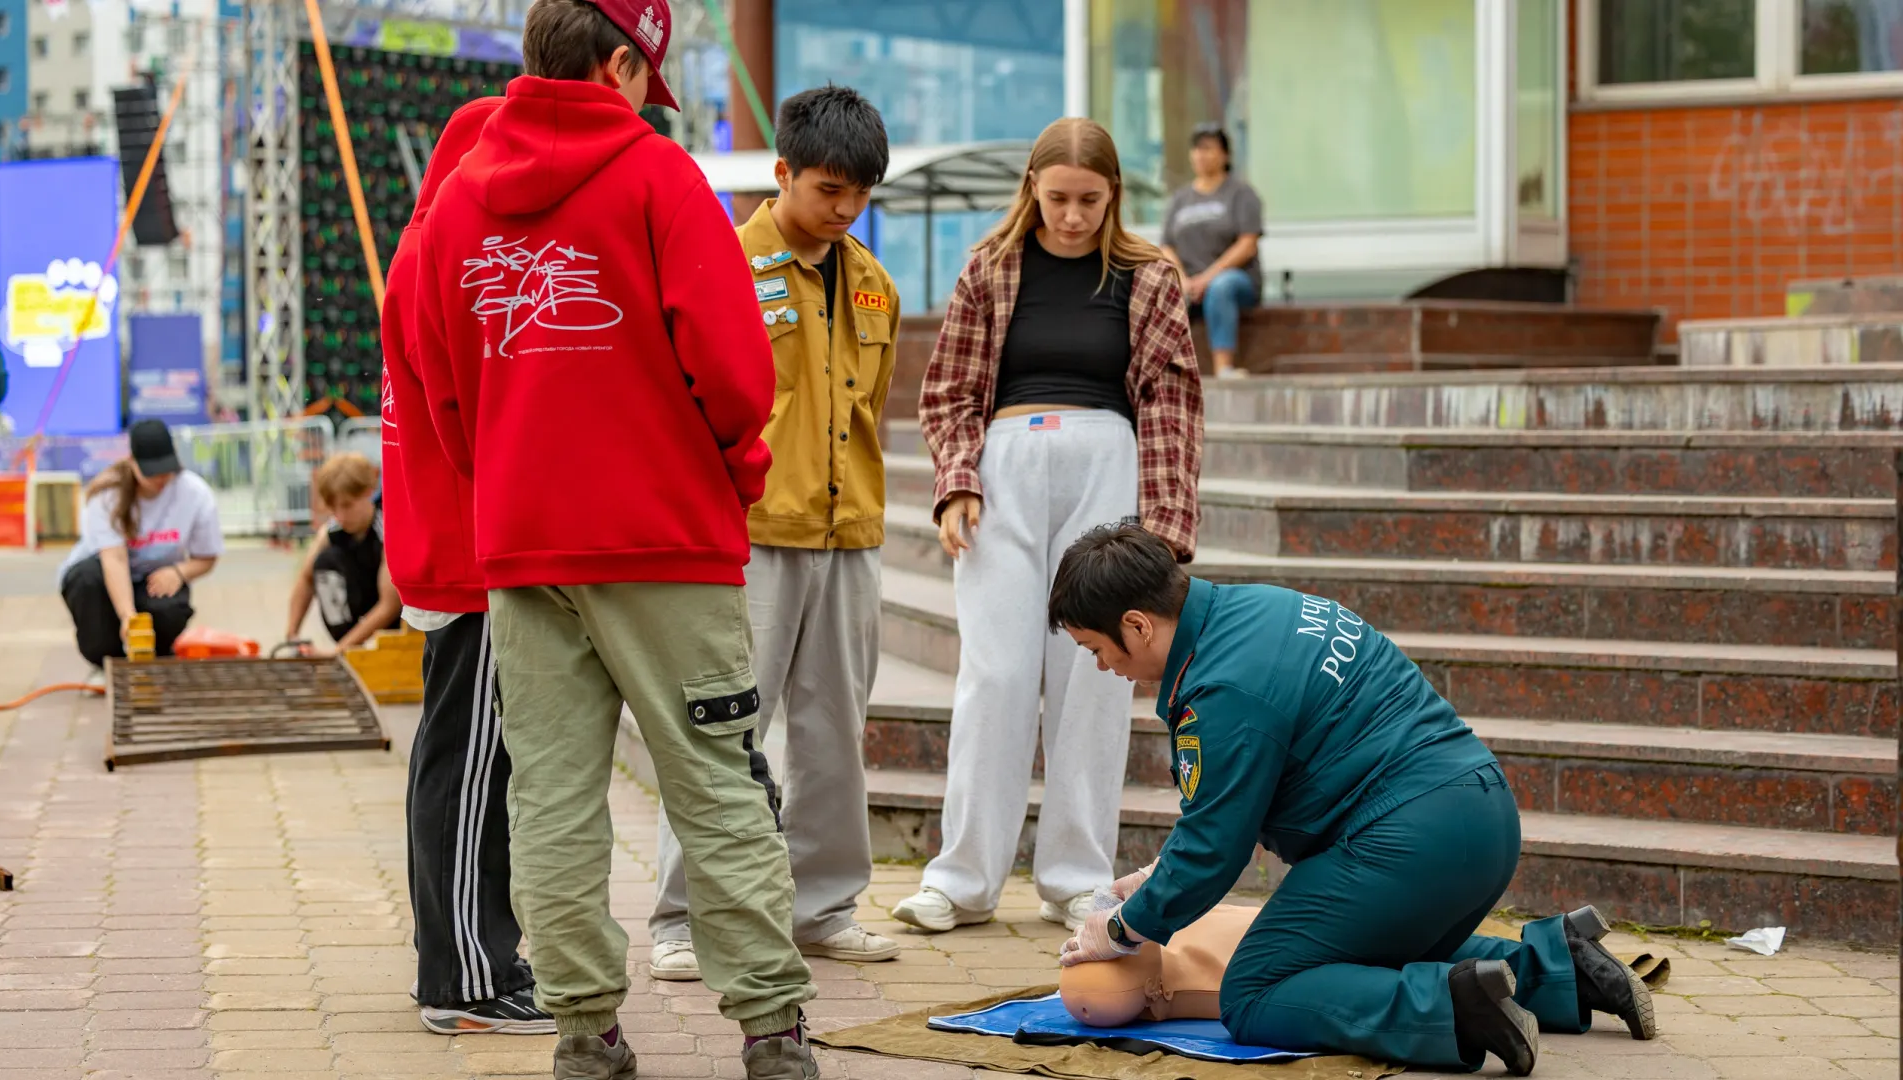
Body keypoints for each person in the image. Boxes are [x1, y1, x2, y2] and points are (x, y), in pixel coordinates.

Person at [414, 1, 818, 1077]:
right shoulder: (657, 177)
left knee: (548, 795)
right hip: (662, 539)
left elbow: (436, 375)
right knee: (716, 780)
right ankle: (772, 1032)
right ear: (619, 62)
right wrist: (731, 480)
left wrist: (498, 487)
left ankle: (585, 1033)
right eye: (649, 75)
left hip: (524, 547)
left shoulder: (457, 201)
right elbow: (737, 372)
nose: (651, 97)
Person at [1049, 523, 1658, 1077]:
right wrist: (1160, 877)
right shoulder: (1260, 608)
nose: (1103, 667)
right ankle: (1560, 972)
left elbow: (1214, 849)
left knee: (1255, 990)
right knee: (1365, 945)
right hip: (1481, 815)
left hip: (1408, 844)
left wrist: (1123, 929)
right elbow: (1234, 804)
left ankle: (1454, 1007)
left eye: (1095, 649)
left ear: (1137, 624)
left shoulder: (1220, 690)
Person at [894, 117, 1203, 937]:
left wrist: (1166, 530)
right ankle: (960, 880)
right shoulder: (988, 269)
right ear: (1031, 187)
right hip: (1004, 471)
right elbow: (949, 390)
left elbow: (1174, 404)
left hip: (1109, 465)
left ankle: (1076, 877)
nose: (1072, 215)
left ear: (1114, 197)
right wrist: (957, 482)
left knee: (1091, 683)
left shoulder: (1150, 278)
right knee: (993, 674)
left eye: (1090, 201)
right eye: (1058, 197)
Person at [648, 85, 901, 980]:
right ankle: (682, 916)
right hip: (749, 534)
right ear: (782, 172)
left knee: (835, 730)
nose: (843, 209)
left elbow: (865, 408)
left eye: (860, 194)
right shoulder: (721, 263)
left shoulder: (875, 285)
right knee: (720, 729)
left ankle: (823, 905)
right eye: (828, 189)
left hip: (850, 533)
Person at [379, 94, 553, 1036]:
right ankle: (465, 975)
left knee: (461, 760)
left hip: (453, 545)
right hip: (469, 550)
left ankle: (471, 960)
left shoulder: (423, 246)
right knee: (470, 767)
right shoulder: (447, 255)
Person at [57, 418, 222, 670]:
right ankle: (107, 661)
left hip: (153, 579)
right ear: (132, 462)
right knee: (87, 579)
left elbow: (207, 557)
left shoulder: (195, 494)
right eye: (151, 472)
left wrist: (179, 571)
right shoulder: (107, 494)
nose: (160, 479)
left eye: (166, 470)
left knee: (169, 606)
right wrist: (128, 617)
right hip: (104, 577)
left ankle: (156, 654)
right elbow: (115, 559)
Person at [1160, 125, 1263, 379]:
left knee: (1221, 287)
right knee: (1158, 292)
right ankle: (1158, 371)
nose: (1200, 155)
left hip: (1235, 279)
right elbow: (1167, 247)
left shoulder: (1241, 193)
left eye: (1208, 149)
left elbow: (1247, 244)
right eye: (1196, 149)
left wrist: (1208, 278)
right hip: (1190, 281)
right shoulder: (1180, 199)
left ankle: (1223, 367)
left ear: (1225, 155)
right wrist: (1182, 280)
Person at [284, 453, 403, 656]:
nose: (340, 516)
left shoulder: (386, 530)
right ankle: (349, 642)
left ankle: (350, 646)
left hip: (393, 621)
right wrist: (292, 634)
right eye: (333, 508)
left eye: (347, 505)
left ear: (368, 493)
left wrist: (336, 653)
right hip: (356, 612)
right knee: (324, 562)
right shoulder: (334, 530)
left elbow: (390, 605)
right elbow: (305, 579)